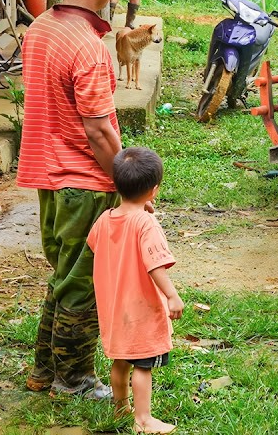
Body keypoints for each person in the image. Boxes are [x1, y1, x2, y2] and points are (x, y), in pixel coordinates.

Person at [16, 0, 124, 399]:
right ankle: (74, 378)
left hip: (47, 174)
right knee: (83, 282)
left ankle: (44, 371)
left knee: (63, 273)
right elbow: (99, 130)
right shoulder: (89, 47)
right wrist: (129, 179)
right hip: (83, 179)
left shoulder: (40, 28)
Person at [88, 147, 182, 434]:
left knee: (121, 360)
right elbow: (156, 266)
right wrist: (171, 295)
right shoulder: (146, 223)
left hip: (114, 306)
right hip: (141, 309)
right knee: (143, 365)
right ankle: (143, 419)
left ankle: (120, 408)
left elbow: (94, 244)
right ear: (153, 191)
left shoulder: (105, 218)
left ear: (116, 185)